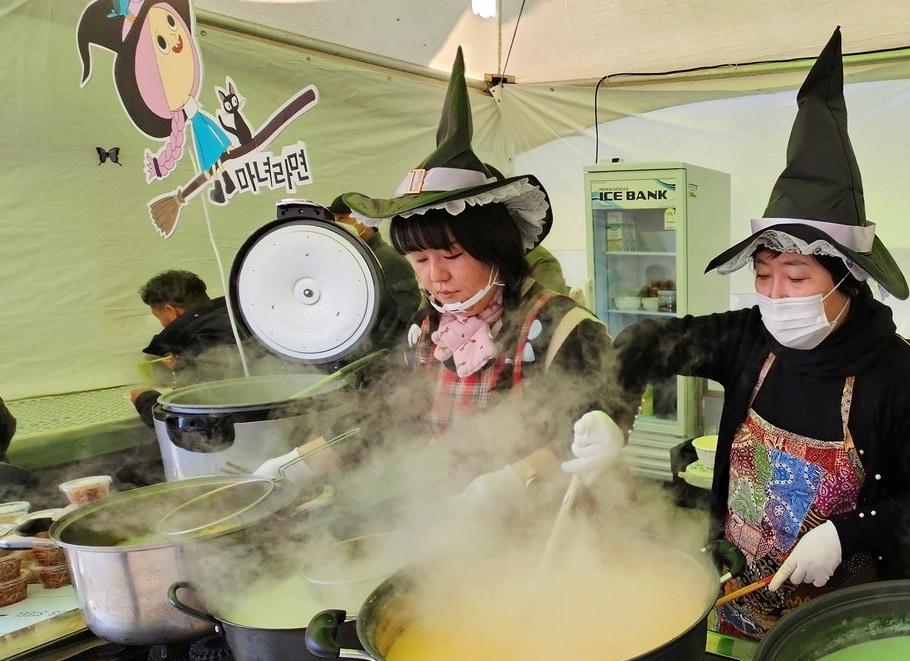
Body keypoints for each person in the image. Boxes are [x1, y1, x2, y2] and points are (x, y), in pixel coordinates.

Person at [607, 30, 910, 640]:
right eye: (764, 276)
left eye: (795, 276)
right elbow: (639, 340)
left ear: (846, 279)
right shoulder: (749, 340)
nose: (774, 297)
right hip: (736, 596)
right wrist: (605, 418)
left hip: (843, 618)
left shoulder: (899, 374)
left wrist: (848, 532)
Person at [259, 48, 617, 508]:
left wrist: (513, 480)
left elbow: (599, 418)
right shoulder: (426, 329)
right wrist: (296, 465)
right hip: (448, 528)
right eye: (419, 259)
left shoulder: (562, 326)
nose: (436, 276)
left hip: (544, 536)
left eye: (451, 254)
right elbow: (390, 417)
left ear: (495, 249)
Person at [129, 269, 237, 426]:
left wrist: (144, 399)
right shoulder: (234, 320)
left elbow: (188, 424)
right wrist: (183, 365)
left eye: (159, 318)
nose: (162, 325)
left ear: (170, 311)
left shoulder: (205, 340)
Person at [326, 194, 425, 350]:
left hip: (382, 359)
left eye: (342, 219)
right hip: (356, 352)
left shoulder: (390, 260)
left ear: (364, 219)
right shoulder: (350, 259)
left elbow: (405, 313)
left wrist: (382, 353)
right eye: (335, 220)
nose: (338, 225)